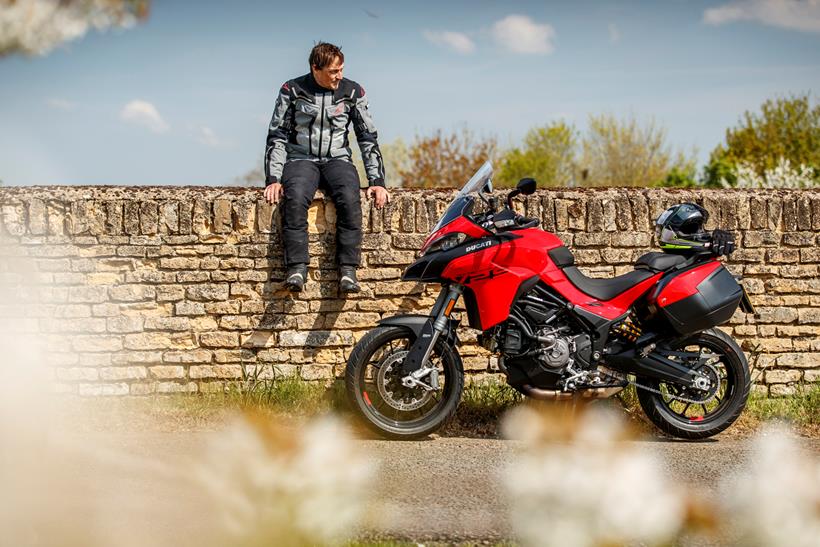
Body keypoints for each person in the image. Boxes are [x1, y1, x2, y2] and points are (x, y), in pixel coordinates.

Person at [263, 42, 389, 293]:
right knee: (295, 198)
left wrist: (377, 181)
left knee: (350, 198)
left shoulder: (353, 92)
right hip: (301, 160)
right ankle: (297, 268)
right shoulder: (292, 90)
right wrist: (273, 177)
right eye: (333, 71)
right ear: (315, 68)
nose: (339, 76)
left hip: (338, 160)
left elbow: (367, 138)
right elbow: (277, 135)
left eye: (341, 69)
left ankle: (348, 271)